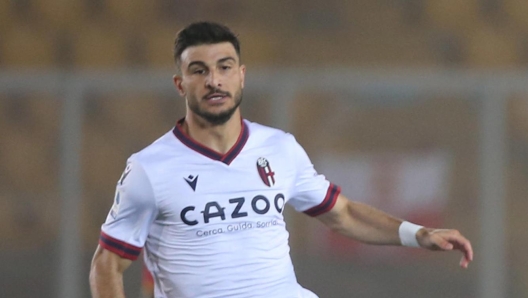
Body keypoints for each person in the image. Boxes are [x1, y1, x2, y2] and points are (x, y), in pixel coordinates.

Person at [89, 21, 473, 298]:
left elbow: (343, 214)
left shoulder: (280, 148)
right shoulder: (149, 168)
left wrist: (419, 234)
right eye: (199, 71)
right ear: (180, 84)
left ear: (241, 77)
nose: (213, 81)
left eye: (224, 68)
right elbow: (107, 264)